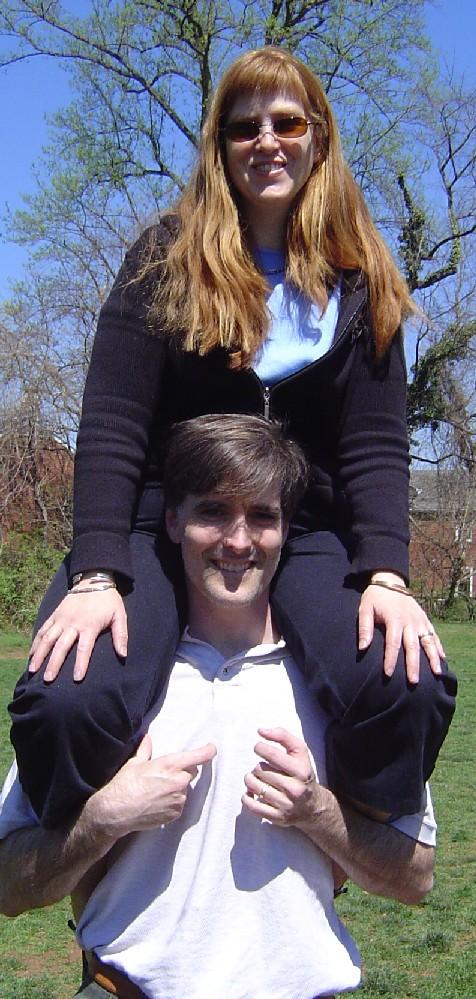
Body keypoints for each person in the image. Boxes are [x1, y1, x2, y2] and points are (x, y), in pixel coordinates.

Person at [9, 46, 456, 830]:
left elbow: (377, 446)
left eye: (287, 122)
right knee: (67, 697)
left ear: (318, 137)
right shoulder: (165, 260)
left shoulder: (361, 279)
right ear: (220, 145)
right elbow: (112, 424)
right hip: (168, 523)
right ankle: (75, 851)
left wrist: (386, 573)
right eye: (245, 127)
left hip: (306, 530)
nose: (268, 141)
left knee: (407, 685)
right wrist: (97, 571)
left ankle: (348, 840)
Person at [0, 415, 437, 999]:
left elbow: (416, 877)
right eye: (212, 512)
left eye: (262, 516)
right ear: (172, 520)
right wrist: (105, 816)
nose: (238, 540)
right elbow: (8, 884)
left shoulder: (343, 683)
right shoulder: (108, 679)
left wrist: (318, 812)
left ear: (287, 528)